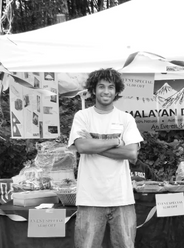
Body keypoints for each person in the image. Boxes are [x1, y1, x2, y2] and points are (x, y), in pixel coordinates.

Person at [68, 68, 143, 248]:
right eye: (101, 86)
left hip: (122, 198)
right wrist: (116, 141)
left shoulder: (125, 119)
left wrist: (93, 143)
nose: (106, 91)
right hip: (90, 199)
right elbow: (81, 146)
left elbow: (131, 153)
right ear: (93, 90)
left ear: (117, 91)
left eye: (111, 87)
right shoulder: (82, 116)